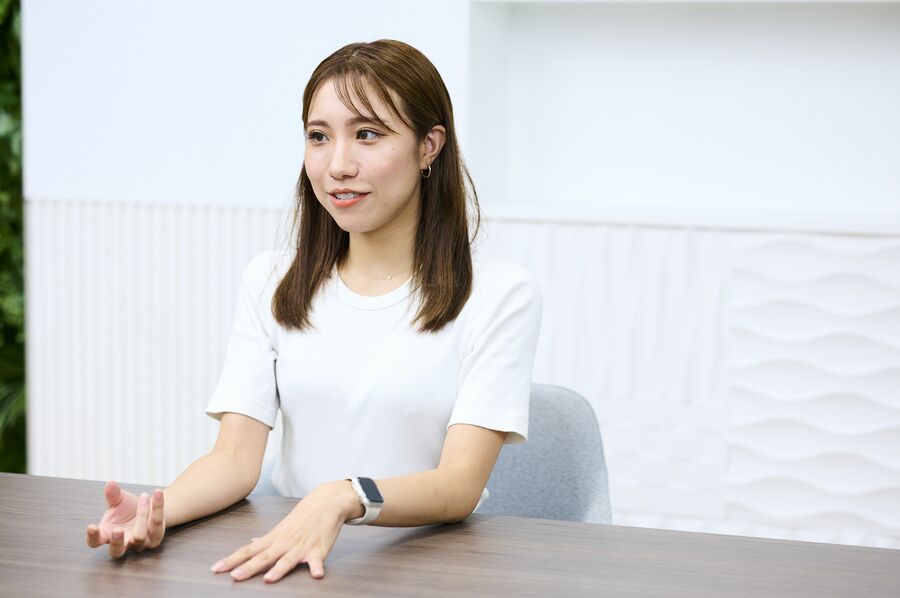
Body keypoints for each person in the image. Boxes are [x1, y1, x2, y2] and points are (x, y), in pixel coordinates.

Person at [84, 39, 542, 584]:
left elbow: (458, 485)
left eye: (367, 134)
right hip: (294, 560)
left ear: (429, 147)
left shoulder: (499, 294)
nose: (338, 166)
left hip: (431, 566)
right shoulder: (271, 281)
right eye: (319, 137)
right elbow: (234, 460)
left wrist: (343, 496)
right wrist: (155, 513)